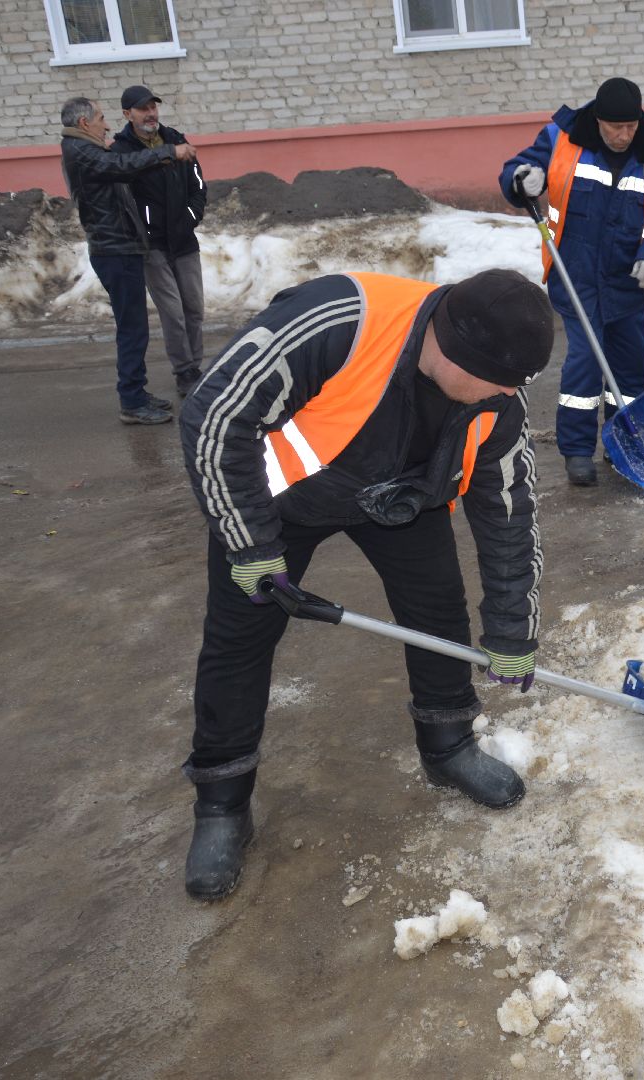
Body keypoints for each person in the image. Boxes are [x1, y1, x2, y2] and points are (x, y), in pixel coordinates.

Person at [176, 268, 554, 901]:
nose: (504, 396)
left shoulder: (496, 402)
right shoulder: (339, 322)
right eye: (495, 382)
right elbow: (213, 417)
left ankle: (448, 743)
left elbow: (510, 518)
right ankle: (221, 800)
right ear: (452, 347)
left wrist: (514, 630)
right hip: (278, 504)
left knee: (437, 611)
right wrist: (251, 545)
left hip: (402, 499)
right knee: (238, 640)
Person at [500, 77, 644, 487]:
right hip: (576, 274)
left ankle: (628, 446)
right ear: (599, 120)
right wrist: (522, 180)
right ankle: (578, 452)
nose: (624, 136)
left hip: (628, 280)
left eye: (631, 127)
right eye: (615, 127)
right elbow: (515, 171)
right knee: (584, 363)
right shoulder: (561, 139)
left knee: (630, 368)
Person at [59, 96, 196, 425]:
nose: (106, 125)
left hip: (121, 246)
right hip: (115, 249)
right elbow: (121, 167)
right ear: (83, 123)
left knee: (134, 327)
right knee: (132, 329)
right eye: (101, 118)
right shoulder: (82, 152)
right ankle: (132, 401)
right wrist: (167, 152)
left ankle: (136, 393)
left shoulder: (84, 149)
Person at [110, 85, 209, 399]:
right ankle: (184, 371)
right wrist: (142, 229)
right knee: (173, 312)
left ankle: (195, 365)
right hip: (151, 245)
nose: (150, 113)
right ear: (128, 114)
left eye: (153, 107)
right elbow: (122, 192)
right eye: (142, 109)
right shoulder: (122, 151)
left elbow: (198, 185)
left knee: (194, 308)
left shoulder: (175, 139)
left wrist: (192, 214)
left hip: (183, 239)